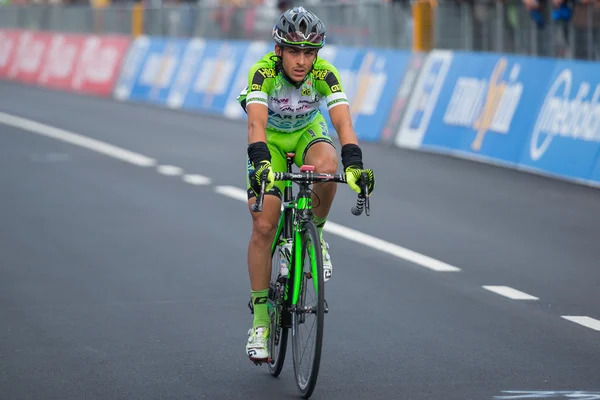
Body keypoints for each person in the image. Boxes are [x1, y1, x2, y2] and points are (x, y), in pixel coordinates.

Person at [237, 6, 375, 363]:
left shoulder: (326, 75)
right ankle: (261, 321)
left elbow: (343, 124)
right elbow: (255, 127)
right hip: (269, 140)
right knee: (263, 224)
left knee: (328, 167)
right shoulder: (262, 73)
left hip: (306, 134)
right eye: (294, 51)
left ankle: (317, 234)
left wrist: (356, 166)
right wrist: (260, 164)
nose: (301, 61)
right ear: (279, 50)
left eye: (309, 53)